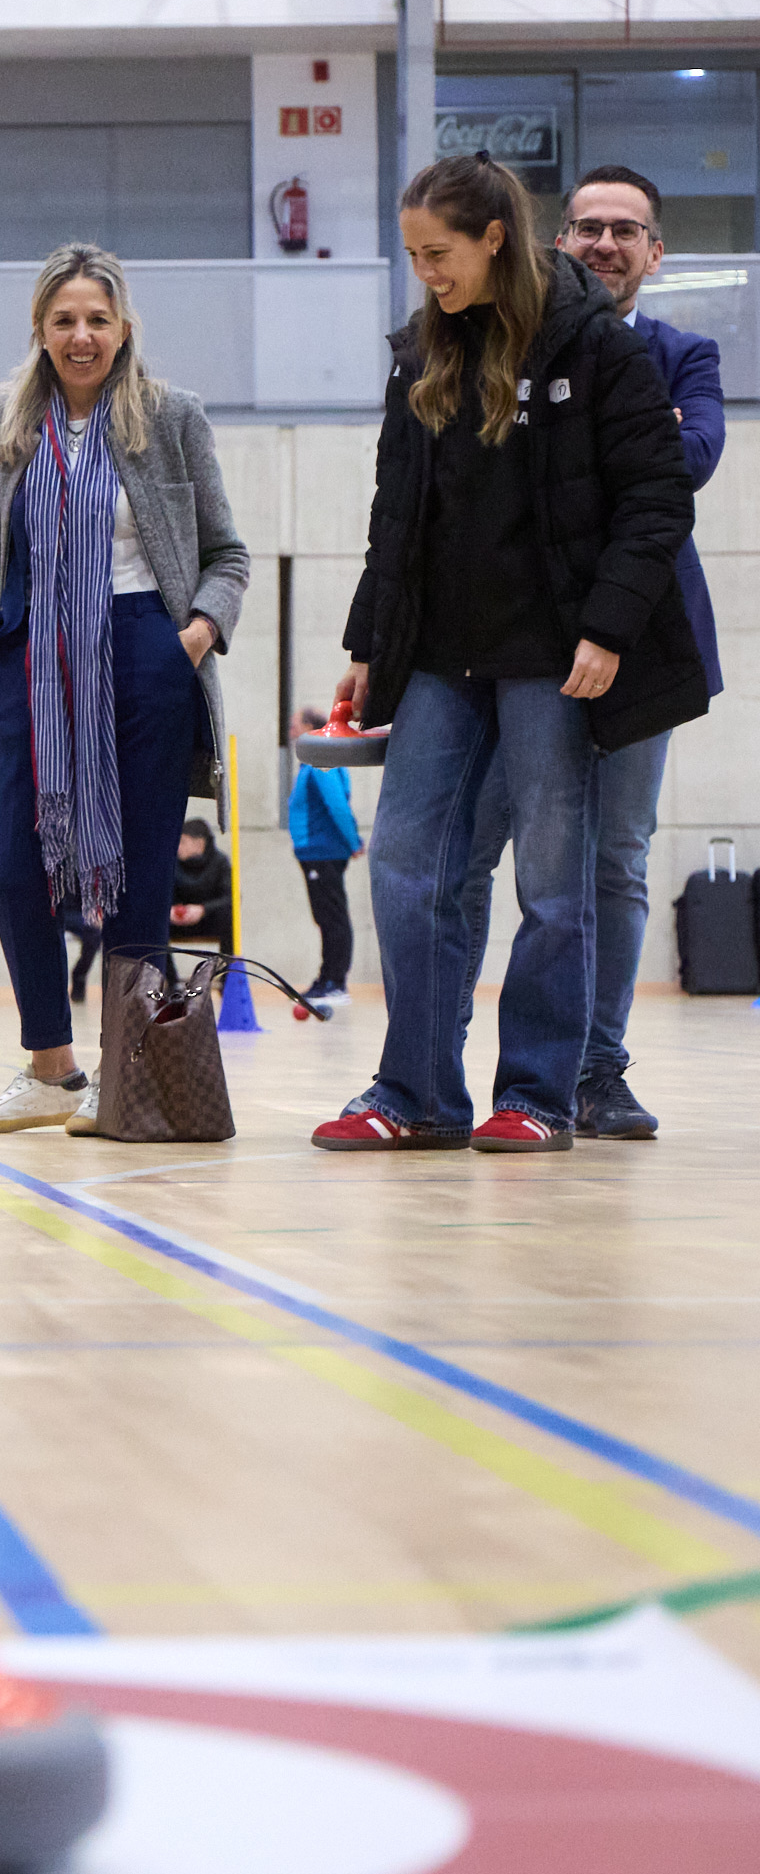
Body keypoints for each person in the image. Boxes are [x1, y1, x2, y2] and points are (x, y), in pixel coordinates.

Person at [317, 153, 700, 1155]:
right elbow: (396, 513)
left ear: (494, 239)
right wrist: (370, 644)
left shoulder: (597, 345)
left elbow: (657, 500)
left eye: (437, 253)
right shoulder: (420, 352)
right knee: (409, 868)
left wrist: (607, 629)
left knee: (555, 885)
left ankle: (537, 1094)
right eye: (412, 255)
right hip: (442, 660)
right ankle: (416, 1093)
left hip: (556, 661)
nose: (425, 273)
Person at [450, 163, 727, 1142]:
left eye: (626, 229)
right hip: (515, 642)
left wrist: (593, 449)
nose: (605, 243)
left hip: (640, 640)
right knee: (469, 855)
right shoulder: (510, 347)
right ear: (556, 242)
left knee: (616, 861)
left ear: (656, 253)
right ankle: (441, 1069)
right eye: (588, 227)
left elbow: (688, 462)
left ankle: (596, 1070)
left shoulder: (686, 353)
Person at [0, 243, 248, 1138]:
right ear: (40, 330)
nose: (81, 337)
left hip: (148, 652)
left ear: (123, 329)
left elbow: (226, 555)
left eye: (97, 320)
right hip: (32, 662)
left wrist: (192, 637)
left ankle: (127, 1077)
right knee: (15, 862)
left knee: (139, 872)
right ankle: (51, 1069)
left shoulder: (171, 416)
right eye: (64, 320)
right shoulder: (4, 422)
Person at [286, 706, 362, 1003]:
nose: (291, 731)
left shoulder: (321, 761)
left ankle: (334, 982)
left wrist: (353, 841)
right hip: (314, 852)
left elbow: (337, 804)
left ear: (310, 728)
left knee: (332, 918)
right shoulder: (312, 761)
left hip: (324, 851)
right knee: (326, 917)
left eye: (295, 724)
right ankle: (327, 978)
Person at [169, 818, 232, 950]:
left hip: (209, 920)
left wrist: (203, 910)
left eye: (182, 842)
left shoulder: (220, 862)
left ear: (199, 843)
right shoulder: (171, 862)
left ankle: (225, 963)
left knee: (229, 919)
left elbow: (230, 898)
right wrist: (169, 911)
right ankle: (161, 964)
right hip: (175, 922)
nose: (178, 847)